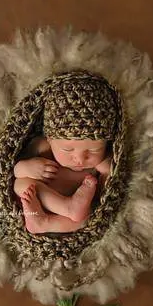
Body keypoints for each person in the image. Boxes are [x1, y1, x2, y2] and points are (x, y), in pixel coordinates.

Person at [11, 74, 117, 234]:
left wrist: (106, 173)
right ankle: (66, 207)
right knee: (20, 184)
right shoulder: (43, 147)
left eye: (94, 150)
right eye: (68, 150)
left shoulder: (101, 164)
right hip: (38, 200)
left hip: (72, 217)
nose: (80, 159)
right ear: (50, 139)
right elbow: (15, 170)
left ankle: (45, 223)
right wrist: (28, 167)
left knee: (88, 217)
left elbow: (106, 196)